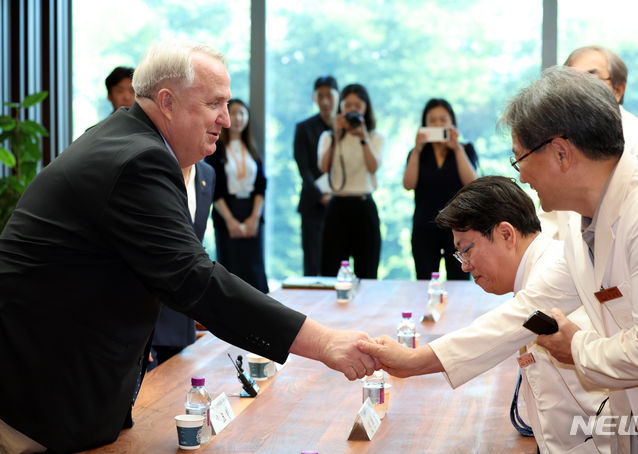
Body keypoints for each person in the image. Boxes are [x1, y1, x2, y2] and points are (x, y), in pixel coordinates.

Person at [0, 40, 378, 454]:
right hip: (37, 399)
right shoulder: (138, 159)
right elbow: (195, 279)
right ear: (167, 102)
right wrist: (324, 343)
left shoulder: (125, 139)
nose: (227, 119)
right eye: (214, 103)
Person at [361, 66, 638, 452]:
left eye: (520, 159)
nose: (522, 178)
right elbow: (527, 311)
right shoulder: (578, 222)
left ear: (561, 153)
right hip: (637, 425)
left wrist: (576, 347)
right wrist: (415, 361)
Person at [362, 176, 610, 453]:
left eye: (466, 250)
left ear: (506, 234)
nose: (465, 266)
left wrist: (412, 361)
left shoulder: (556, 265)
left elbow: (501, 328)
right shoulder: (536, 272)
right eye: (459, 256)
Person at [541, 45, 638, 240]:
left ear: (618, 90)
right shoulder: (559, 140)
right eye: (572, 81)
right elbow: (550, 220)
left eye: (591, 79)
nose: (581, 89)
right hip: (568, 262)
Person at [149, 158, 215, 369]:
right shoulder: (150, 167)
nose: (223, 123)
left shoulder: (207, 174)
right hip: (143, 323)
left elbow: (194, 249)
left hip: (181, 318)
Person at [403, 98, 477, 280]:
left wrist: (457, 148)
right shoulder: (418, 153)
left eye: (443, 119)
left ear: (452, 122)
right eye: (432, 120)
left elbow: (472, 183)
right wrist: (417, 150)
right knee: (424, 282)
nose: (438, 124)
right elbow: (408, 184)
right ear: (424, 125)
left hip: (459, 229)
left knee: (459, 281)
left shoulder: (465, 149)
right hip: (424, 228)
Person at [318, 83, 385, 278]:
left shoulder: (375, 136)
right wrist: (337, 135)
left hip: (364, 207)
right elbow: (323, 167)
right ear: (341, 108)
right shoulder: (328, 136)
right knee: (330, 270)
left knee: (367, 271)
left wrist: (363, 137)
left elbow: (374, 166)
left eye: (357, 105)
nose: (352, 109)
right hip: (337, 207)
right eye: (348, 105)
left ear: (366, 107)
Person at [205, 98, 269, 293]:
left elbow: (261, 185)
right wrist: (231, 221)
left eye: (242, 113)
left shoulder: (251, 147)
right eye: (234, 113)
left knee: (254, 266)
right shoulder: (216, 149)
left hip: (251, 210)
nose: (238, 118)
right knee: (231, 266)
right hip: (227, 211)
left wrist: (254, 218)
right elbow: (215, 189)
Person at [294, 75, 339, 276]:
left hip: (341, 202)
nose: (325, 101)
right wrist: (321, 195)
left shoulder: (346, 127)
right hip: (314, 203)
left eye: (329, 95)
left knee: (338, 261)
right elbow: (304, 169)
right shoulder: (304, 128)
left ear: (338, 96)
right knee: (313, 263)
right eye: (320, 96)